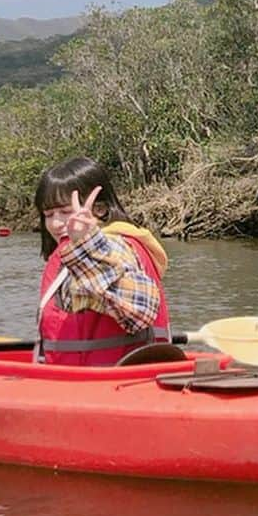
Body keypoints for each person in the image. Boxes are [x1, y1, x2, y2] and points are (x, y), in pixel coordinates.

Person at [34, 156, 170, 366]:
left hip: (113, 382)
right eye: (49, 214)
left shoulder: (113, 245)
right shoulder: (73, 252)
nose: (56, 223)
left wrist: (87, 245)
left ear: (99, 209)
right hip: (86, 381)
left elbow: (141, 313)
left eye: (66, 211)